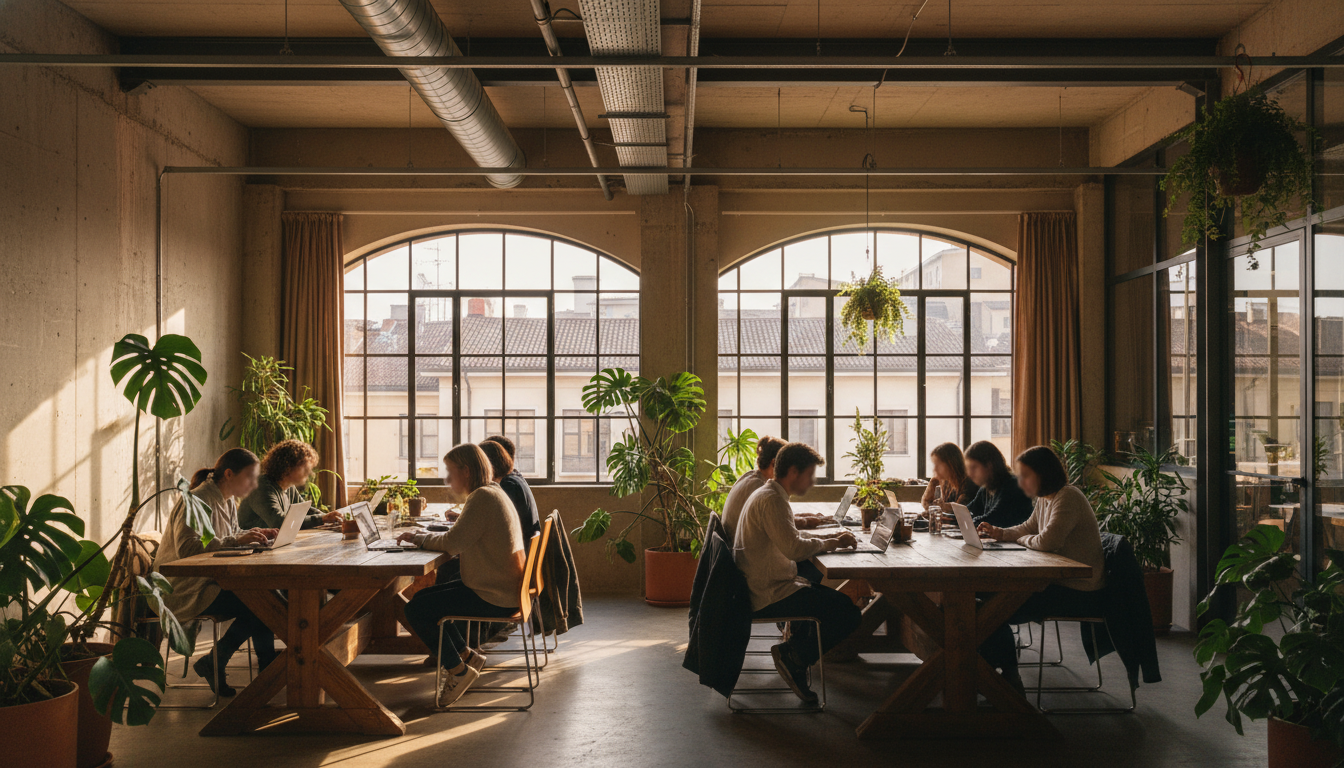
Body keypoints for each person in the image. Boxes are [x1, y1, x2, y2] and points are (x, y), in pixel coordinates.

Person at [398, 444, 526, 707]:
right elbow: (460, 538)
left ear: (466, 471)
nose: (448, 479)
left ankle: (459, 671)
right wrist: (423, 538)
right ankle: (467, 656)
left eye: (450, 471)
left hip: (494, 595)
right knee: (423, 599)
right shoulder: (493, 492)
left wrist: (418, 538)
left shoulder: (483, 498)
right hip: (502, 587)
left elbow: (452, 543)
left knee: (417, 610)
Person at [734, 442, 863, 703]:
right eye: (810, 474)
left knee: (819, 590)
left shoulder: (770, 494)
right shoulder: (772, 500)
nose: (813, 481)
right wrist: (834, 542)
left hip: (762, 584)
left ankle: (796, 651)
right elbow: (793, 548)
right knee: (848, 613)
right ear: (793, 472)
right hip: (767, 594)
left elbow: (789, 537)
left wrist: (829, 537)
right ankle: (794, 657)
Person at [976, 445, 1107, 691]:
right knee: (986, 604)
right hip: (1058, 584)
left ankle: (1006, 680)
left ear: (1043, 474)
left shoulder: (1068, 497)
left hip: (1079, 593)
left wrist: (1019, 539)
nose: (1021, 481)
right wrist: (1000, 533)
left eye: (1026, 475)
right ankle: (990, 672)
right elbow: (1027, 528)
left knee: (991, 609)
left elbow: (1047, 541)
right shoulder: (1046, 499)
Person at [153, 448, 279, 696]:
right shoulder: (197, 500)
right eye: (250, 477)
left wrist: (252, 536)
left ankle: (250, 667)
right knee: (260, 603)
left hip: (210, 579)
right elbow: (188, 549)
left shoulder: (228, 499)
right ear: (229, 474)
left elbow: (227, 538)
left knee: (264, 599)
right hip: (182, 586)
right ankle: (268, 672)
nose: (255, 484)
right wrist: (238, 541)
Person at [237, 439, 341, 531]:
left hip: (272, 544)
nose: (309, 473)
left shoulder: (289, 486)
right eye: (305, 468)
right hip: (251, 549)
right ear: (288, 467)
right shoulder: (261, 487)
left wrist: (329, 517)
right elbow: (279, 522)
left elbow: (304, 510)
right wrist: (322, 519)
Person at [721, 435, 786, 540]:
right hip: (743, 551)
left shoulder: (750, 476)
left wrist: (803, 518)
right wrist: (804, 522)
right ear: (774, 463)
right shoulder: (760, 488)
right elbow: (778, 525)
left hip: (734, 546)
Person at [482, 435, 541, 542]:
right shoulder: (516, 477)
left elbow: (498, 526)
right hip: (520, 549)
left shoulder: (508, 485)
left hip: (512, 553)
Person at [963, 441, 1034, 529]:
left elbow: (993, 519)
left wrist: (964, 521)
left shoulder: (1013, 486)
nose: (970, 473)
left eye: (974, 467)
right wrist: (947, 517)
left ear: (989, 466)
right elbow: (967, 511)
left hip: (1017, 541)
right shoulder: (985, 489)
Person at [921, 441, 978, 511]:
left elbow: (961, 511)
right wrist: (932, 484)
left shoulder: (969, 483)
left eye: (938, 465)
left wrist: (942, 506)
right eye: (934, 465)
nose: (934, 469)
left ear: (951, 464)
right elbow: (926, 503)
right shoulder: (945, 481)